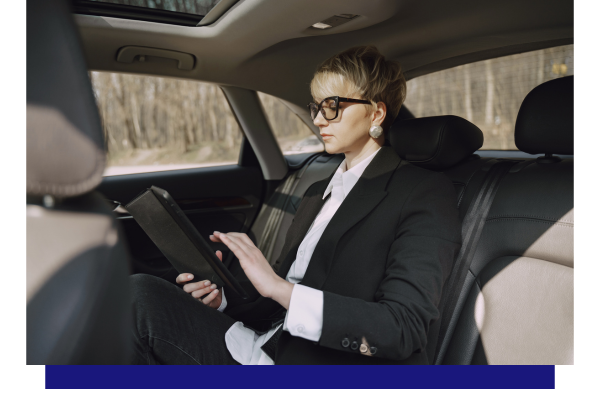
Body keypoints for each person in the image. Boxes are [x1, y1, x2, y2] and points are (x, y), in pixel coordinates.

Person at [130, 45, 462, 365]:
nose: (318, 119)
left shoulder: (424, 193)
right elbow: (280, 295)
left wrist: (278, 287)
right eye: (316, 106)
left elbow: (403, 329)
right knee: (140, 292)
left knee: (139, 299)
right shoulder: (319, 190)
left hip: (322, 361)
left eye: (332, 105)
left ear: (376, 112)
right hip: (261, 342)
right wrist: (223, 299)